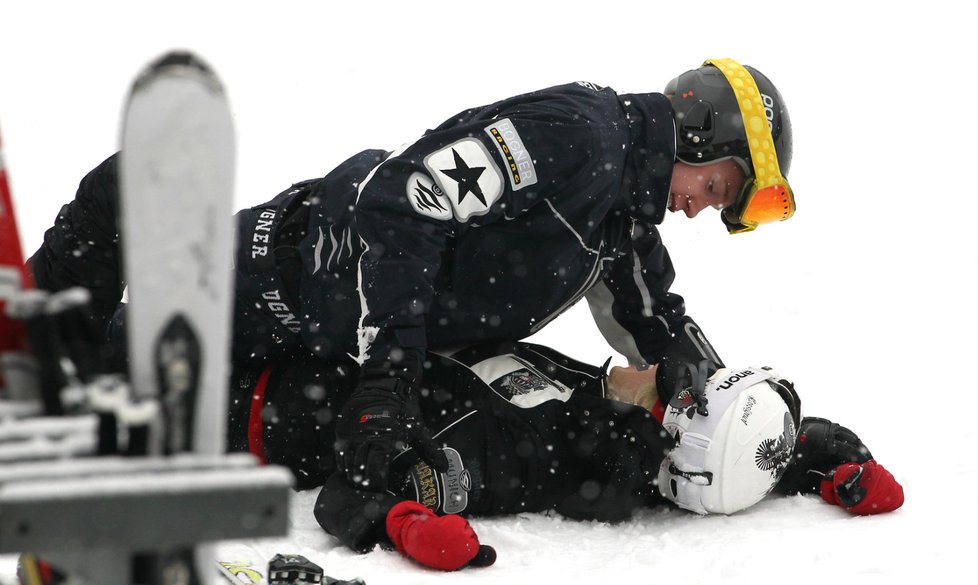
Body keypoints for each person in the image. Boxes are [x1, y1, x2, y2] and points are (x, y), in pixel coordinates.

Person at [28, 58, 797, 494]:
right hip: (297, 266)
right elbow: (405, 202)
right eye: (720, 189)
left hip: (334, 325)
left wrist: (755, 430)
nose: (702, 210)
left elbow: (658, 329)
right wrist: (389, 380)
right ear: (700, 135)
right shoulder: (577, 135)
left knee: (149, 391)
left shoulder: (621, 217)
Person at [228, 339, 903, 571]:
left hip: (244, 406)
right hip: (297, 338)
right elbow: (777, 444)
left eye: (676, 388)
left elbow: (345, 494)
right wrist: (840, 465)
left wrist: (404, 524)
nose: (660, 362)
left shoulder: (532, 457)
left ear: (665, 423)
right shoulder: (599, 402)